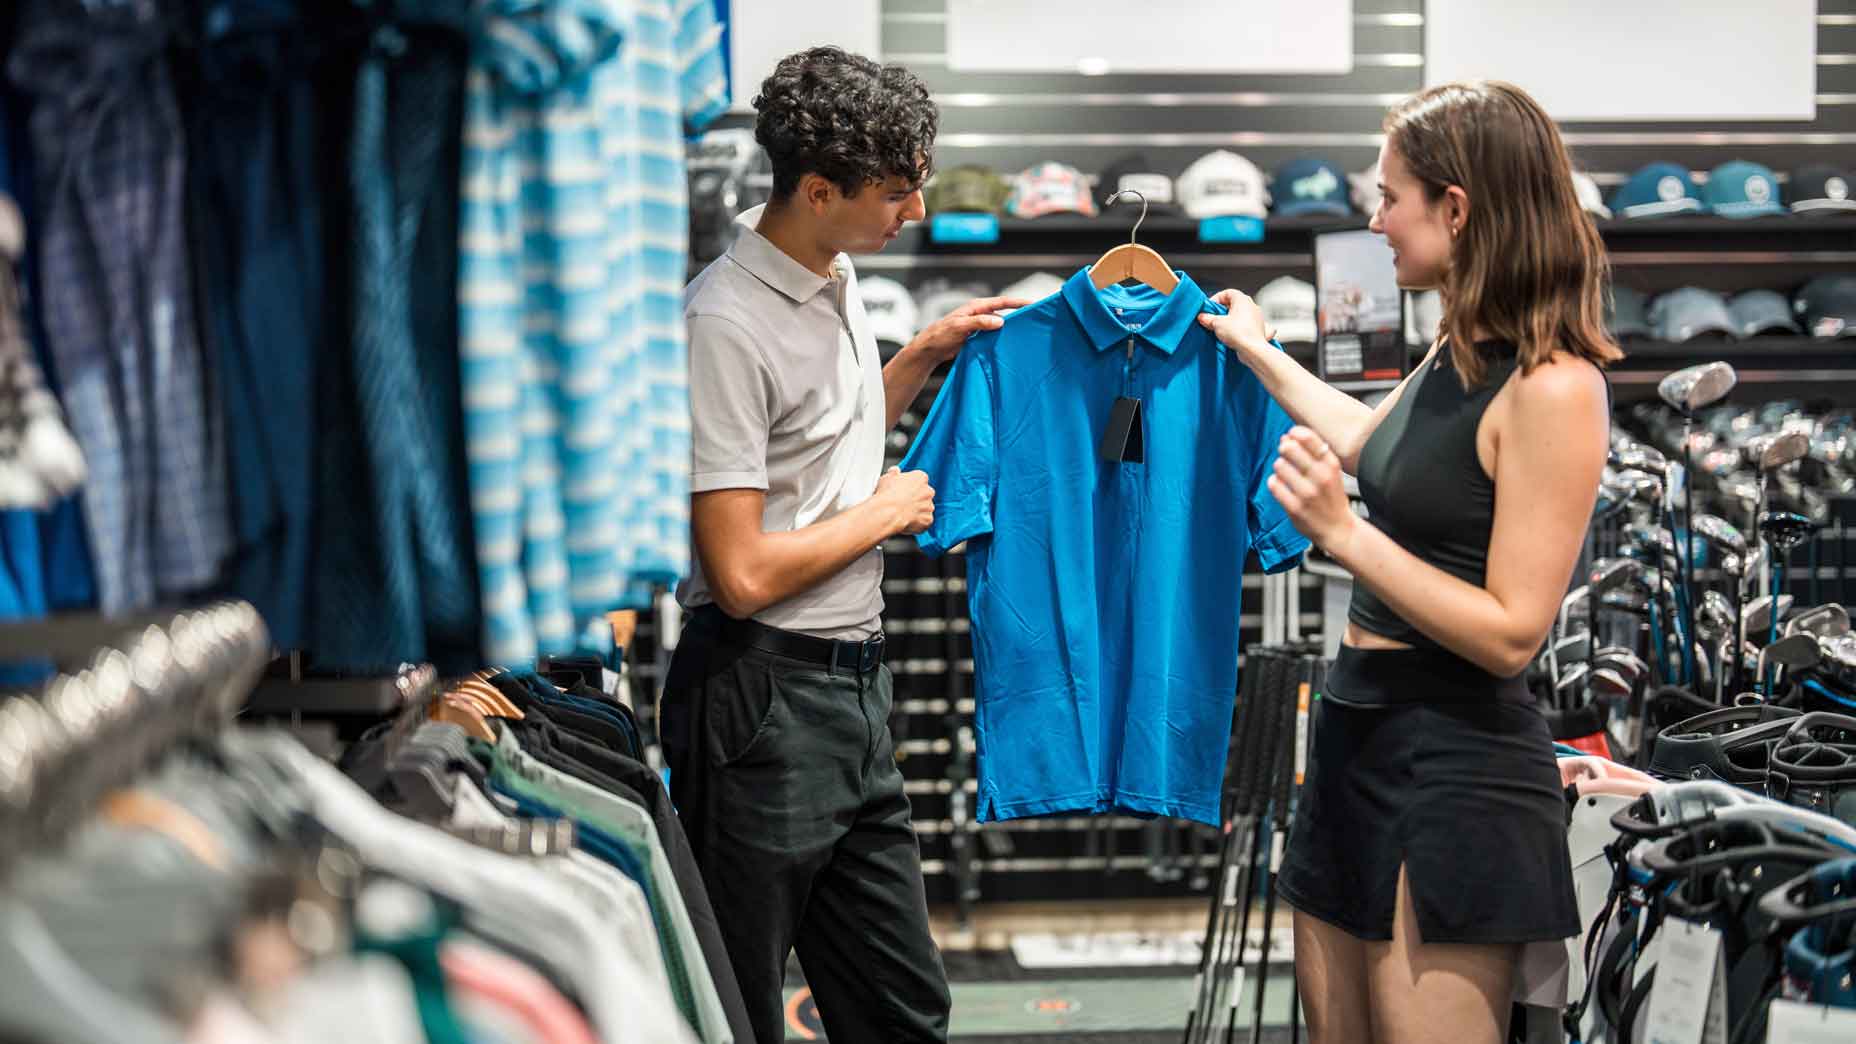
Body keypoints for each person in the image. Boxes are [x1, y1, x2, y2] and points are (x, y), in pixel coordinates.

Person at [1200, 80, 1620, 1044]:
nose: (1375, 220)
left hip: (1457, 765)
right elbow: (1367, 443)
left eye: (1391, 198)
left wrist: (1344, 536)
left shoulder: (1555, 386)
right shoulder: (1457, 348)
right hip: (1356, 733)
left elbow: (1512, 633)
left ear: (1456, 209)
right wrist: (1259, 353)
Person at [659, 47, 1029, 1044]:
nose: (915, 210)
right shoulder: (723, 326)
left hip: (851, 696)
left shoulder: (833, 274)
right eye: (896, 192)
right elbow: (740, 573)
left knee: (902, 1008)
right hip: (759, 698)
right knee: (740, 1009)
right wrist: (887, 512)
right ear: (819, 190)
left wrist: (919, 356)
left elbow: (825, 448)